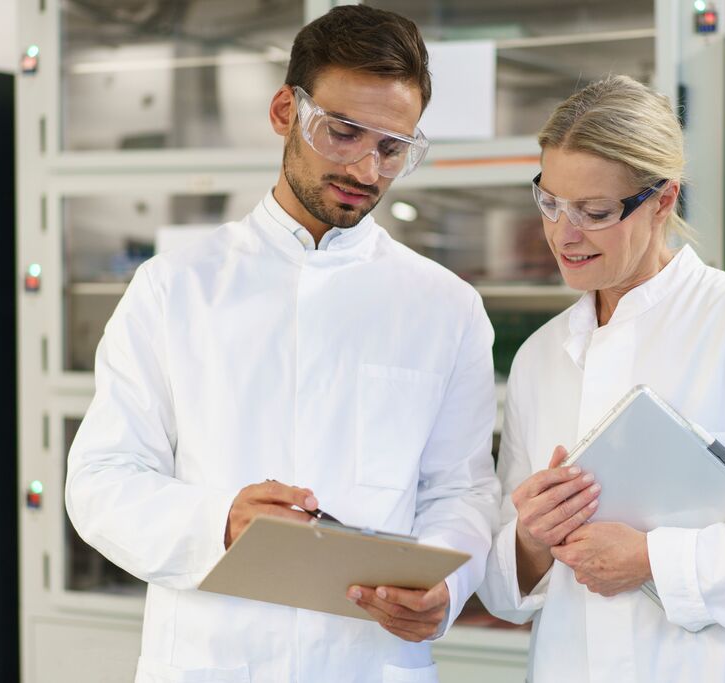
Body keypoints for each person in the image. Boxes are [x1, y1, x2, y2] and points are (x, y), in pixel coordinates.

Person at [65, 6, 500, 682]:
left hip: (369, 659)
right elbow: (99, 481)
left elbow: (463, 488)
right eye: (344, 131)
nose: (366, 168)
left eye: (392, 147)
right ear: (283, 111)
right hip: (212, 658)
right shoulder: (176, 288)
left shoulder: (446, 307)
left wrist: (446, 586)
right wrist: (221, 520)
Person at [477, 75, 725, 682]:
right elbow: (506, 592)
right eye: (550, 203)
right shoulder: (542, 356)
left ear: (663, 200)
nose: (564, 234)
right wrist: (531, 540)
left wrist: (652, 559)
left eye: (594, 211)